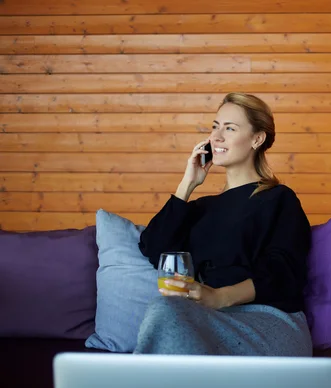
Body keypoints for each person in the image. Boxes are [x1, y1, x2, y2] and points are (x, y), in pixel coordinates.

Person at [133, 93, 313, 357]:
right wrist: (187, 184)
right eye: (215, 127)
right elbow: (154, 249)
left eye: (230, 128)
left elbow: (285, 272)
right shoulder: (200, 208)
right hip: (207, 319)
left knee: (165, 314)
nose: (216, 137)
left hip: (267, 319)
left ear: (257, 139)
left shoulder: (278, 199)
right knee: (163, 308)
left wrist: (219, 297)